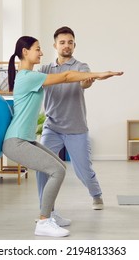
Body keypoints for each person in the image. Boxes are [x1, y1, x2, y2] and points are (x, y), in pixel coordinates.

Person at [2, 36, 123, 238]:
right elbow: (66, 77)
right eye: (37, 49)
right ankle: (43, 221)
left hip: (26, 139)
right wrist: (102, 74)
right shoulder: (28, 76)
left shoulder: (29, 75)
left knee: (59, 166)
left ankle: (50, 213)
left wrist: (88, 81)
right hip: (16, 141)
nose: (40, 53)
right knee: (57, 171)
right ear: (25, 52)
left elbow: (72, 78)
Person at [36, 27, 107, 228]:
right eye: (62, 42)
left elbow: (84, 83)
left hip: (76, 129)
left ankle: (96, 195)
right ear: (55, 45)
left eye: (70, 42)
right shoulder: (45, 69)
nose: (66, 45)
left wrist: (86, 83)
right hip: (52, 128)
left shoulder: (81, 67)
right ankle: (46, 210)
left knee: (83, 170)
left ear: (74, 45)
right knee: (43, 167)